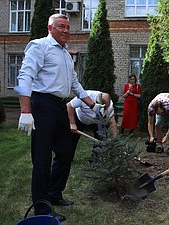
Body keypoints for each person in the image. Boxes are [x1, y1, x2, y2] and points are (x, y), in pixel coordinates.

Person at [14, 14, 103, 221]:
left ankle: (54, 194)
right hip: (42, 105)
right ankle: (41, 207)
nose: (65, 30)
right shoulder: (39, 46)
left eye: (67, 27)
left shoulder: (64, 53)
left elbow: (74, 83)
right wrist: (26, 112)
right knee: (42, 158)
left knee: (65, 152)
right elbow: (25, 77)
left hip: (60, 107)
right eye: (60, 26)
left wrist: (93, 105)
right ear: (50, 27)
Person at [67, 90, 117, 160]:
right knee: (72, 139)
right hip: (79, 118)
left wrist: (115, 140)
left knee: (100, 139)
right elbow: (69, 106)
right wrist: (72, 124)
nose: (105, 109)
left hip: (95, 121)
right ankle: (68, 158)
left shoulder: (109, 106)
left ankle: (94, 161)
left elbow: (112, 123)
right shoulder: (85, 95)